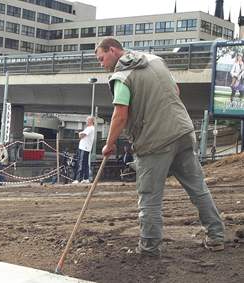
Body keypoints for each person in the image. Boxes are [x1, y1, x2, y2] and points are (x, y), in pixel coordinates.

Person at [95, 38, 225, 256]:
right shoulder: (155, 60)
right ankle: (216, 236)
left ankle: (149, 247)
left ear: (114, 50)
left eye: (102, 58)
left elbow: (120, 115)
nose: (101, 63)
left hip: (155, 142)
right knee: (198, 188)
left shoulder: (121, 77)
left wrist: (109, 145)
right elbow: (175, 89)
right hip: (182, 132)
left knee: (149, 198)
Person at [72, 116, 95, 184]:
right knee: (85, 164)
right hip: (84, 147)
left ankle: (78, 179)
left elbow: (82, 135)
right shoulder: (88, 128)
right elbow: (81, 135)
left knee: (81, 163)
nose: (86, 121)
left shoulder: (90, 128)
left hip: (85, 148)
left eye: (87, 120)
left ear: (91, 121)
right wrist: (81, 133)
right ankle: (86, 178)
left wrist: (80, 133)